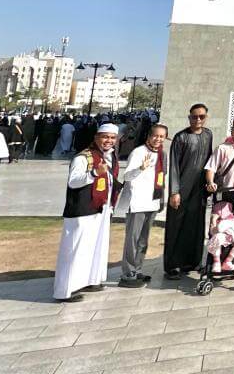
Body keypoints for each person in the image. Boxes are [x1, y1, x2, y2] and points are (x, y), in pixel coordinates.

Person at [53, 123, 120, 302]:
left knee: (95, 247)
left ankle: (91, 280)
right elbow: (73, 182)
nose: (109, 141)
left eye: (112, 138)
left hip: (101, 208)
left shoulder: (111, 157)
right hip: (82, 209)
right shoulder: (83, 158)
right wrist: (93, 173)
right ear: (96, 137)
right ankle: (65, 290)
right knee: (75, 248)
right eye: (105, 137)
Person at [163, 104, 214, 279]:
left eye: (201, 116)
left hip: (198, 190)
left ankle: (192, 261)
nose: (198, 120)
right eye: (194, 116)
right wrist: (174, 191)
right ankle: (173, 265)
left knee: (195, 225)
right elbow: (174, 166)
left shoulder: (208, 135)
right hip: (182, 189)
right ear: (189, 117)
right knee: (176, 225)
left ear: (206, 117)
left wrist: (209, 183)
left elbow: (209, 162)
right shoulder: (181, 137)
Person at [115, 123, 168, 288]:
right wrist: (140, 168)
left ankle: (137, 270)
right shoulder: (138, 152)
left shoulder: (162, 154)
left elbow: (161, 179)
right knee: (133, 239)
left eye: (162, 136)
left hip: (151, 202)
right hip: (137, 203)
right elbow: (128, 176)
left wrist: (161, 200)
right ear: (149, 136)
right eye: (156, 135)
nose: (158, 139)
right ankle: (127, 273)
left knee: (143, 240)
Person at [206, 201, 234, 273]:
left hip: (233, 235)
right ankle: (217, 262)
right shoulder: (217, 221)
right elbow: (213, 231)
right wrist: (214, 220)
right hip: (222, 235)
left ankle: (228, 261)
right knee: (217, 238)